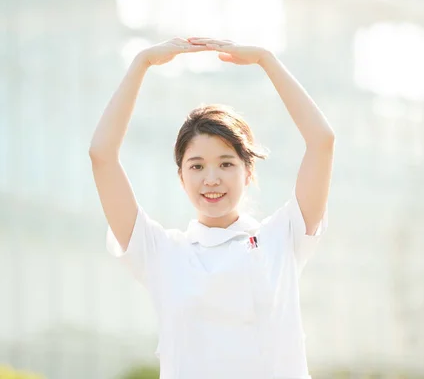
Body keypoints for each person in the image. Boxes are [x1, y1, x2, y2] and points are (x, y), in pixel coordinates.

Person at [89, 37, 335, 379]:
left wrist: (267, 60)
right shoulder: (161, 251)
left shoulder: (283, 236)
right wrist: (141, 63)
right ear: (181, 178)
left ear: (248, 171)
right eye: (197, 166)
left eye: (225, 164)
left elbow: (322, 141)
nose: (211, 179)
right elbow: (102, 156)